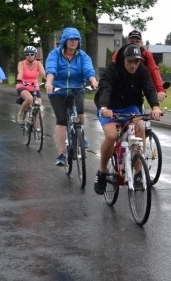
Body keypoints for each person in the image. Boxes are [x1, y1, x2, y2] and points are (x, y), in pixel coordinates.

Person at [93, 44, 162, 195]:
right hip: (109, 108)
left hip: (130, 106)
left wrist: (155, 107)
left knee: (140, 128)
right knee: (111, 136)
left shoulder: (142, 70)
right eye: (130, 61)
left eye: (136, 62)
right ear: (124, 59)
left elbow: (149, 88)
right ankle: (102, 173)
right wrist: (104, 108)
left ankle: (138, 173)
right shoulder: (112, 70)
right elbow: (105, 88)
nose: (133, 65)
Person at [44, 27, 99, 166]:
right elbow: (51, 69)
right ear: (65, 41)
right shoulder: (55, 54)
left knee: (80, 113)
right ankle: (61, 154)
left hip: (76, 88)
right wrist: (49, 83)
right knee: (62, 121)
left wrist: (93, 81)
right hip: (58, 89)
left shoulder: (83, 56)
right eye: (71, 39)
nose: (74, 42)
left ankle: (80, 134)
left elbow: (88, 70)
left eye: (76, 39)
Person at [110, 29, 167, 103]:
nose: (134, 44)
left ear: (141, 43)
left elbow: (154, 71)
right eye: (132, 41)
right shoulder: (119, 54)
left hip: (141, 82)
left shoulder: (146, 55)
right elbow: (112, 71)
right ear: (127, 42)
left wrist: (160, 90)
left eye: (137, 42)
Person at [15, 46, 45, 122]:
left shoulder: (38, 63)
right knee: (29, 99)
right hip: (23, 85)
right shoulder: (21, 63)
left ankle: (37, 125)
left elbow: (43, 74)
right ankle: (21, 113)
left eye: (32, 54)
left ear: (35, 55)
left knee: (38, 105)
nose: (29, 56)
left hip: (34, 86)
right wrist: (19, 79)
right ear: (25, 55)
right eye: (27, 54)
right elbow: (20, 72)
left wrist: (50, 81)